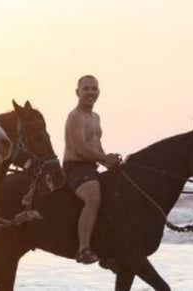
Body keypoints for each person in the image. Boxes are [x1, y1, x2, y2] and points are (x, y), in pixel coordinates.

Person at [62, 75, 121, 265]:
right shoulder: (75, 116)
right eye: (86, 88)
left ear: (99, 92)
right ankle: (83, 248)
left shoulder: (96, 117)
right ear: (77, 92)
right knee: (93, 196)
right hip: (75, 167)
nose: (90, 92)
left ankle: (107, 246)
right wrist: (103, 158)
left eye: (94, 89)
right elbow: (80, 148)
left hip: (91, 166)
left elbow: (96, 146)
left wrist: (110, 163)